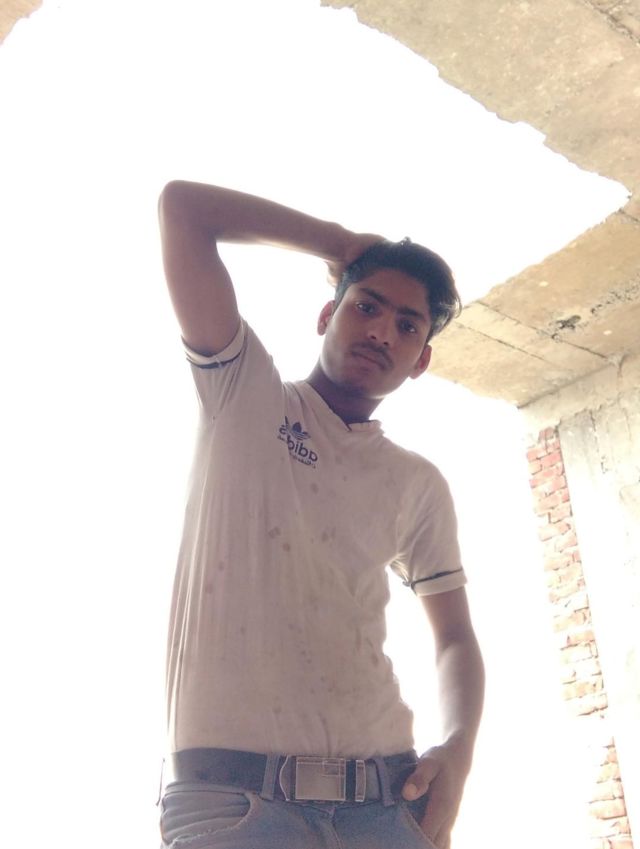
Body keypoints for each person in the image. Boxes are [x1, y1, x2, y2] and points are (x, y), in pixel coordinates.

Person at [156, 181, 485, 849]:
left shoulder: (417, 483)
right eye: (366, 306)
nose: (381, 331)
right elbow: (183, 209)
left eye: (407, 325)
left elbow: (455, 636)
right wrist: (339, 243)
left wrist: (457, 749)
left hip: (386, 803)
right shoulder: (242, 394)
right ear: (326, 314)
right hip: (235, 802)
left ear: (420, 360)